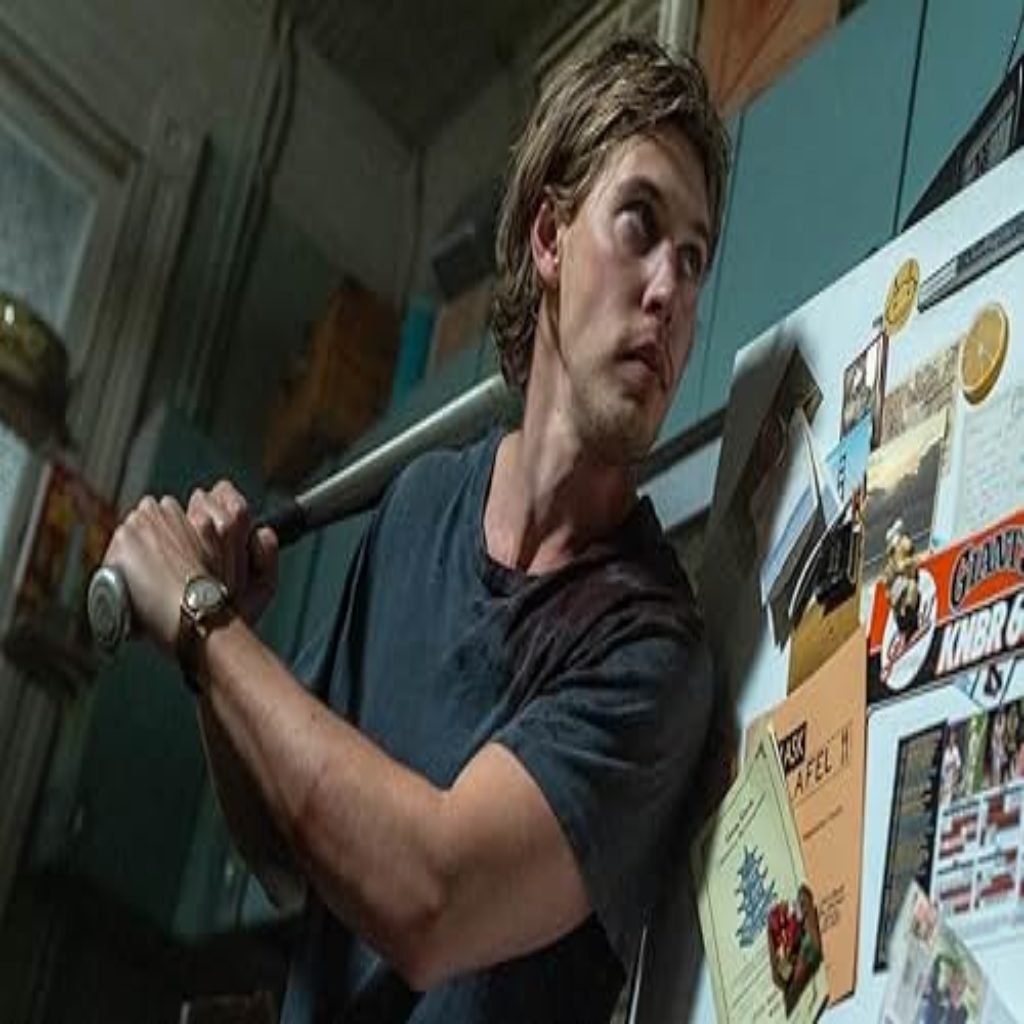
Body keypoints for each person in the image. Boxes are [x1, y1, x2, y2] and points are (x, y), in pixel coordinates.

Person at [101, 35, 730, 1023]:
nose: (669, 291)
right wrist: (215, 659)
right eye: (640, 223)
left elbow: (432, 902)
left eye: (693, 260)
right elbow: (282, 853)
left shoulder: (650, 650)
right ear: (549, 237)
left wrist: (200, 622)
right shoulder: (421, 504)